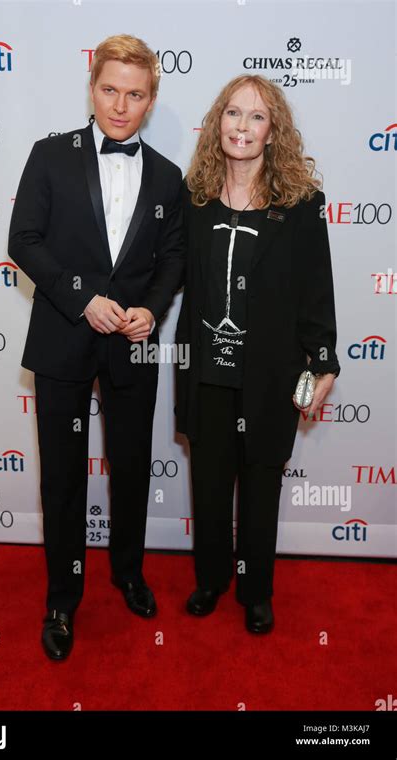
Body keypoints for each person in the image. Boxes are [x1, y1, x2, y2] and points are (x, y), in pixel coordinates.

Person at [8, 34, 184, 660]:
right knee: (61, 476)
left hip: (133, 344)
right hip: (62, 333)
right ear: (92, 86)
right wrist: (81, 298)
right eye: (110, 89)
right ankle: (62, 597)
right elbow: (23, 239)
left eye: (135, 94)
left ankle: (129, 573)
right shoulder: (50, 155)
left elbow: (173, 259)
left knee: (132, 466)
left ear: (151, 99)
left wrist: (151, 309)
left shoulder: (168, 175)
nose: (120, 105)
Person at [174, 74, 340, 633]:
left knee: (262, 482)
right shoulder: (193, 200)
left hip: (270, 373)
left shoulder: (301, 205)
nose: (242, 126)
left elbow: (317, 289)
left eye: (256, 117)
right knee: (212, 482)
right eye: (233, 113)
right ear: (218, 122)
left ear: (273, 133)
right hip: (208, 370)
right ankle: (211, 579)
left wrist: (324, 360)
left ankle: (257, 590)